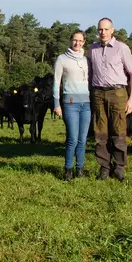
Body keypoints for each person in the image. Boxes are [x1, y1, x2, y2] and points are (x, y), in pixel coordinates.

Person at [87, 17, 132, 181]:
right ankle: (104, 167)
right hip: (98, 94)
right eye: (100, 29)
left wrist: (131, 99)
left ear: (112, 30)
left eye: (106, 29)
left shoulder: (122, 48)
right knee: (100, 132)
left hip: (117, 93)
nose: (103, 32)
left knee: (118, 131)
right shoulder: (92, 50)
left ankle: (119, 167)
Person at [53, 30, 91, 181]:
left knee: (83, 139)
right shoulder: (62, 59)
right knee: (73, 139)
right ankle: (68, 169)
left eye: (81, 41)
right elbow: (56, 83)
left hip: (86, 104)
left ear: (84, 42)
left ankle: (79, 169)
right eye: (75, 40)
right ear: (70, 41)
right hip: (70, 104)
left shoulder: (86, 60)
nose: (77, 43)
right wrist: (57, 104)